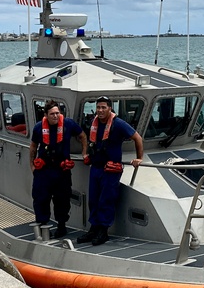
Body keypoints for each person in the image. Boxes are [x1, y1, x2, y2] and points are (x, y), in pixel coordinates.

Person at [79, 96, 144, 245]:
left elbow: (137, 138)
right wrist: (86, 154)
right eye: (98, 107)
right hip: (96, 168)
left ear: (110, 108)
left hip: (111, 170)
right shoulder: (93, 123)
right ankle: (93, 228)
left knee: (106, 200)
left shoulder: (119, 124)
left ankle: (103, 231)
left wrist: (139, 158)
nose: (100, 110)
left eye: (103, 107)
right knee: (93, 200)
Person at [30, 102, 88, 238]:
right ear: (46, 115)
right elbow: (33, 147)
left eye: (57, 113)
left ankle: (61, 226)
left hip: (62, 171)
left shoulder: (69, 124)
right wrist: (32, 166)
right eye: (52, 114)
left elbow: (83, 136)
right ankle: (43, 226)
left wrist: (84, 152)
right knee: (41, 199)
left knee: (62, 199)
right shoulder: (38, 128)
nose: (55, 116)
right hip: (44, 171)